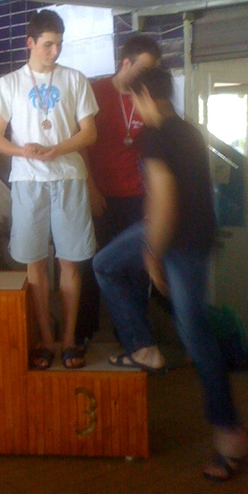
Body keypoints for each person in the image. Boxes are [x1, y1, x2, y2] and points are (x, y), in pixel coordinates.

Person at [93, 68, 248, 480]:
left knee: (195, 335)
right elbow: (169, 196)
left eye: (134, 99)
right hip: (192, 236)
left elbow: (164, 198)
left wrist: (152, 253)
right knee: (107, 264)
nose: (134, 107)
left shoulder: (156, 136)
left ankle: (229, 433)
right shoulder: (188, 131)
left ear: (147, 94)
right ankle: (144, 346)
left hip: (179, 241)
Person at [0, 10, 98, 370]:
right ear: (30, 43)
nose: (55, 51)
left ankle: (69, 339)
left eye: (59, 44)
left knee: (70, 262)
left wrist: (57, 149)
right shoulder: (9, 83)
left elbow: (89, 133)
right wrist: (25, 151)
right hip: (27, 180)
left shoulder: (75, 79)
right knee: (34, 263)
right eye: (48, 44)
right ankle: (46, 340)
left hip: (68, 177)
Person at [77, 33, 162, 345]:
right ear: (126, 63)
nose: (147, 76)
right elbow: (80, 144)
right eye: (143, 69)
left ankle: (133, 337)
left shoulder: (146, 96)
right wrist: (90, 188)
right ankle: (85, 331)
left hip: (137, 197)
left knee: (136, 268)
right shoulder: (95, 92)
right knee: (91, 261)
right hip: (100, 194)